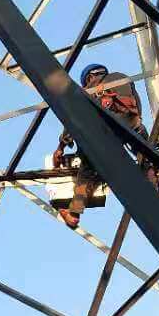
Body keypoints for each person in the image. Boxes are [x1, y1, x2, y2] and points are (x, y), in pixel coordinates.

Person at [56, 64, 149, 229]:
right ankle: (153, 185)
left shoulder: (88, 90)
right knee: (146, 156)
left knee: (87, 167)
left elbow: (73, 120)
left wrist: (61, 147)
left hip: (106, 129)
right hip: (132, 125)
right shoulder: (121, 76)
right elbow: (137, 107)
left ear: (90, 77)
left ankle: (74, 213)